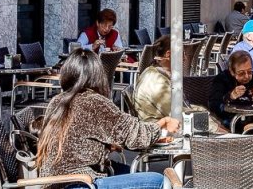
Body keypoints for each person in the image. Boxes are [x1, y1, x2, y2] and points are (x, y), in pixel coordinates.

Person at [36, 49, 176, 188]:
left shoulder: (56, 101)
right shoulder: (94, 102)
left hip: (51, 183)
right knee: (159, 181)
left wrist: (106, 145)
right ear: (98, 75)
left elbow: (73, 140)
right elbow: (135, 136)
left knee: (128, 172)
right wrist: (161, 124)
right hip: (80, 182)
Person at [209, 49, 253, 130]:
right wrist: (230, 96)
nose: (247, 76)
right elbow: (213, 105)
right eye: (241, 73)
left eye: (250, 71)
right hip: (231, 121)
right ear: (232, 71)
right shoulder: (222, 79)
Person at [132, 35, 173, 122]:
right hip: (160, 129)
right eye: (183, 54)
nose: (185, 59)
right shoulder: (157, 82)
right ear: (168, 55)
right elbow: (175, 112)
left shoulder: (155, 72)